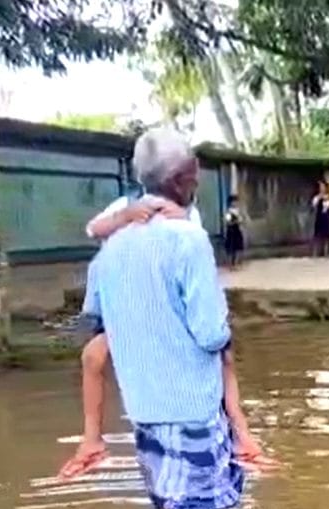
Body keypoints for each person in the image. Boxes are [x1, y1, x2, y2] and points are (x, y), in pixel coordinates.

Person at [79, 128, 245, 509]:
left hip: (143, 403)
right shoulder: (188, 238)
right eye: (195, 171)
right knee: (213, 503)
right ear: (185, 179)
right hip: (192, 400)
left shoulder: (111, 248)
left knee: (172, 501)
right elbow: (212, 331)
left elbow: (96, 319)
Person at [60, 185, 266, 479]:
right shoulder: (127, 204)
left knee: (223, 359)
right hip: (125, 298)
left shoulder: (187, 217)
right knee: (92, 357)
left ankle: (242, 437)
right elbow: (93, 229)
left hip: (166, 303)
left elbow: (192, 265)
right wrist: (126, 217)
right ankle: (92, 439)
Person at [312, 180, 329, 258]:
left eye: (323, 187)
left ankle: (326, 252)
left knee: (327, 235)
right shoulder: (317, 197)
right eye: (320, 187)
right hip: (320, 217)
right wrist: (320, 198)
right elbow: (314, 204)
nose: (322, 188)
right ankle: (315, 253)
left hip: (327, 217)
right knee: (318, 235)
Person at [224, 194, 245, 269]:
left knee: (238, 247)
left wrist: (240, 221)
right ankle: (231, 264)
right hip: (231, 230)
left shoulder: (238, 211)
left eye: (236, 202)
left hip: (237, 230)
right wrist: (236, 221)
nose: (235, 203)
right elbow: (228, 221)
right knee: (231, 247)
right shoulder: (229, 211)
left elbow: (241, 220)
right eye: (233, 202)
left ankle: (236, 263)